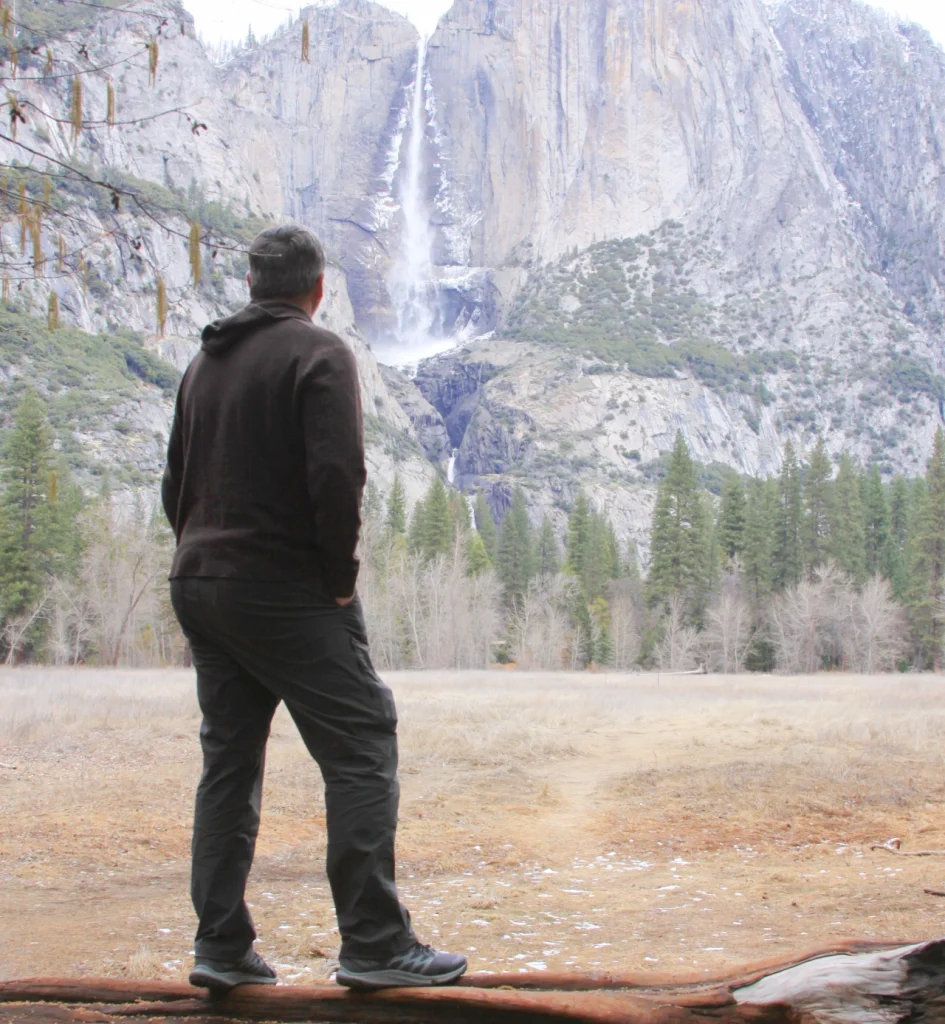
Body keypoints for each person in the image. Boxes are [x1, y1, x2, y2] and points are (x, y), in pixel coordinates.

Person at [161, 224, 466, 993]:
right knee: (361, 742)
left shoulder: (203, 363)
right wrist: (337, 578)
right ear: (318, 288)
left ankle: (220, 946)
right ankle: (374, 944)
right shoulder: (319, 353)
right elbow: (338, 474)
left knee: (228, 761)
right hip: (283, 585)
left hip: (201, 579)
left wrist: (204, 555)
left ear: (253, 285)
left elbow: (174, 482)